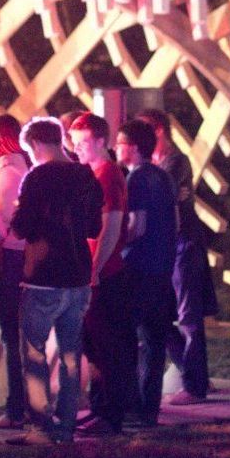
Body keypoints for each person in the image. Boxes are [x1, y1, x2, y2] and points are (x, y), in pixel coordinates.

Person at [7, 117, 105, 444]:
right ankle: (66, 427)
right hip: (78, 276)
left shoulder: (36, 177)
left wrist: (17, 212)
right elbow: (93, 227)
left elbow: (21, 227)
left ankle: (38, 427)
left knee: (34, 352)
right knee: (70, 355)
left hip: (43, 276)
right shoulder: (86, 175)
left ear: (36, 145)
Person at [140, 108, 214, 406]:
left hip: (183, 245)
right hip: (166, 247)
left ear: (159, 130)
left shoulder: (176, 160)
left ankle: (195, 386)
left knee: (187, 317)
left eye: (144, 131)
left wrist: (161, 191)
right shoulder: (162, 164)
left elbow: (160, 192)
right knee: (160, 316)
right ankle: (193, 373)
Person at [70, 112, 133, 435]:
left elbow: (112, 224)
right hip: (97, 270)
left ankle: (109, 413)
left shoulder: (107, 175)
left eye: (82, 142)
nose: (76, 148)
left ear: (99, 141)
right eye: (73, 142)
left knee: (104, 344)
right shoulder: (97, 173)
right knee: (94, 344)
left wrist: (94, 268)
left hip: (103, 273)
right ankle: (100, 409)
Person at [117, 118, 178, 427]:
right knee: (155, 341)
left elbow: (136, 226)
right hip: (162, 269)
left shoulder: (137, 180)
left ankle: (135, 406)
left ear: (134, 147)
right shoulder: (163, 177)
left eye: (120, 143)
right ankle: (149, 409)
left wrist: (114, 243)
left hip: (139, 268)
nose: (116, 147)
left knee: (134, 339)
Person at [0, 115, 32, 430]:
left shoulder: (6, 172)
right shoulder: (21, 168)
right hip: (18, 256)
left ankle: (17, 408)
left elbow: (1, 223)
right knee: (16, 333)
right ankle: (22, 404)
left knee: (10, 333)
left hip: (9, 257)